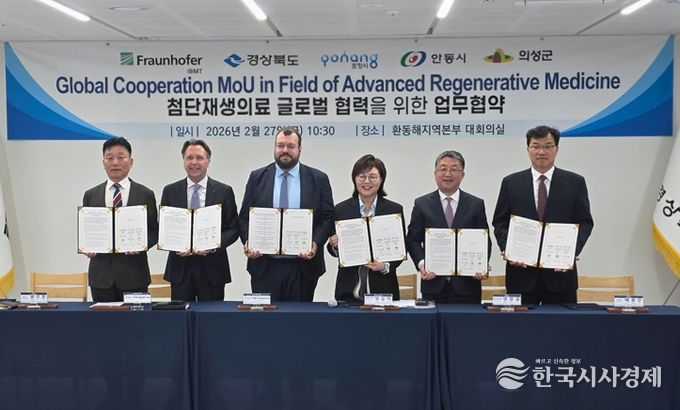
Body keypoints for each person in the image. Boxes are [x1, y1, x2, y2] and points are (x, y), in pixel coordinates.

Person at [492, 125, 594, 304]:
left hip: (560, 275)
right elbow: (500, 221)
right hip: (521, 274)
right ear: (528, 149)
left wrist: (572, 250)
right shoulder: (511, 182)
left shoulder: (575, 182)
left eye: (547, 146)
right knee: (521, 322)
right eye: (536, 146)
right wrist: (508, 249)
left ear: (556, 149)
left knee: (560, 322)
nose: (541, 151)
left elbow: (585, 222)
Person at [239, 127, 334, 302]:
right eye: (280, 145)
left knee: (299, 317)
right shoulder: (257, 177)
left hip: (303, 267)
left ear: (299, 149)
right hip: (264, 265)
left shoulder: (319, 179)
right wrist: (248, 242)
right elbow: (244, 217)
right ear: (274, 147)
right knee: (266, 317)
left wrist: (315, 242)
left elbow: (327, 217)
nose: (285, 150)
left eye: (291, 146)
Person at [406, 150, 491, 304]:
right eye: (443, 168)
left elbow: (484, 240)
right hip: (433, 285)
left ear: (462, 174)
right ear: (435, 173)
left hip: (467, 286)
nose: (448, 174)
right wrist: (422, 264)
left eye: (454, 169)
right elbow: (413, 240)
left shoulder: (476, 204)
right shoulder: (422, 204)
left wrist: (481, 265)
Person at [161, 139, 239, 301]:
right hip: (180, 268)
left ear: (208, 161)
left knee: (211, 315)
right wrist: (174, 245)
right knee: (181, 315)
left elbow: (233, 228)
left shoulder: (223, 191)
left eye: (199, 158)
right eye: (189, 158)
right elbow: (164, 227)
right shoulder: (170, 191)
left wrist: (213, 245)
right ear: (183, 160)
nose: (194, 162)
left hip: (213, 268)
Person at [83, 136, 158, 302]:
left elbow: (154, 231)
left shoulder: (145, 194)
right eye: (109, 158)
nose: (115, 162)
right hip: (101, 277)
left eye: (121, 157)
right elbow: (86, 231)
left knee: (136, 319)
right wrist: (87, 246)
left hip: (134, 275)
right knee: (104, 319)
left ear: (131, 162)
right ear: (103, 162)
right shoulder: (91, 195)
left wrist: (141, 245)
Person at [327, 154, 405, 302]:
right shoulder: (340, 210)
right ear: (354, 179)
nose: (367, 181)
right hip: (348, 290)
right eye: (362, 176)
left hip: (383, 288)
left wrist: (384, 266)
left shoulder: (394, 210)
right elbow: (331, 250)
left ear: (381, 180)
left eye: (373, 177)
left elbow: (401, 247)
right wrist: (334, 246)